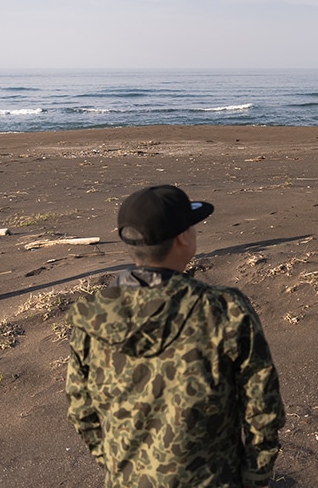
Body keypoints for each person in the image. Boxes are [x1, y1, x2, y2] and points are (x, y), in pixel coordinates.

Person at [65, 185, 286, 488]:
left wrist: (117, 464)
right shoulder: (224, 309)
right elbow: (262, 407)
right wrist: (256, 476)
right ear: (183, 237)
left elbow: (81, 410)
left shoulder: (91, 317)